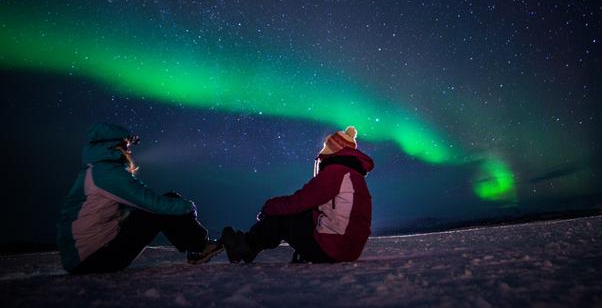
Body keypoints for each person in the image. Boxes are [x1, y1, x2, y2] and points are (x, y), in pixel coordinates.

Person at [57, 123, 222, 274]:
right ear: (113, 146)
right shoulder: (106, 173)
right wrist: (187, 206)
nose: (129, 150)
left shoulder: (96, 170)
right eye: (126, 145)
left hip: (86, 258)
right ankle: (202, 247)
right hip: (92, 260)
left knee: (160, 206)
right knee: (163, 205)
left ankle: (198, 247)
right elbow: (153, 204)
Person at [221, 126, 374, 263]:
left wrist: (269, 207)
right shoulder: (352, 175)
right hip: (347, 248)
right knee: (301, 214)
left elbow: (301, 201)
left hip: (333, 248)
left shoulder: (336, 172)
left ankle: (244, 247)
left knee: (283, 217)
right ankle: (251, 247)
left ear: (334, 150)